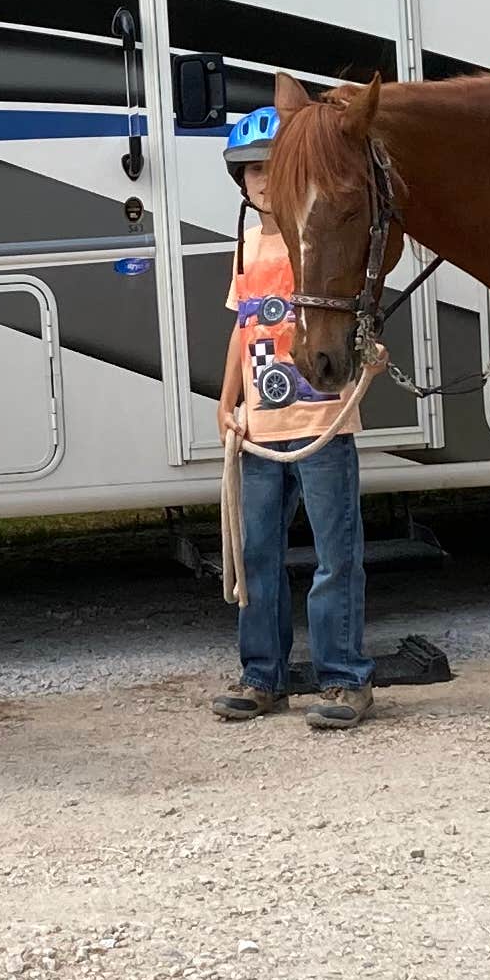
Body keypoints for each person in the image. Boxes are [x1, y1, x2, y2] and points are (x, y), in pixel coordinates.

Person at [210, 106, 373, 730]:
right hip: (260, 431)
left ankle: (344, 679)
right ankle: (262, 677)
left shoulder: (317, 242)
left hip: (321, 422)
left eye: (273, 170)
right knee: (256, 556)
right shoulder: (248, 245)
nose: (261, 181)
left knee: (336, 555)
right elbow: (242, 325)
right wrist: (227, 400)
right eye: (252, 171)